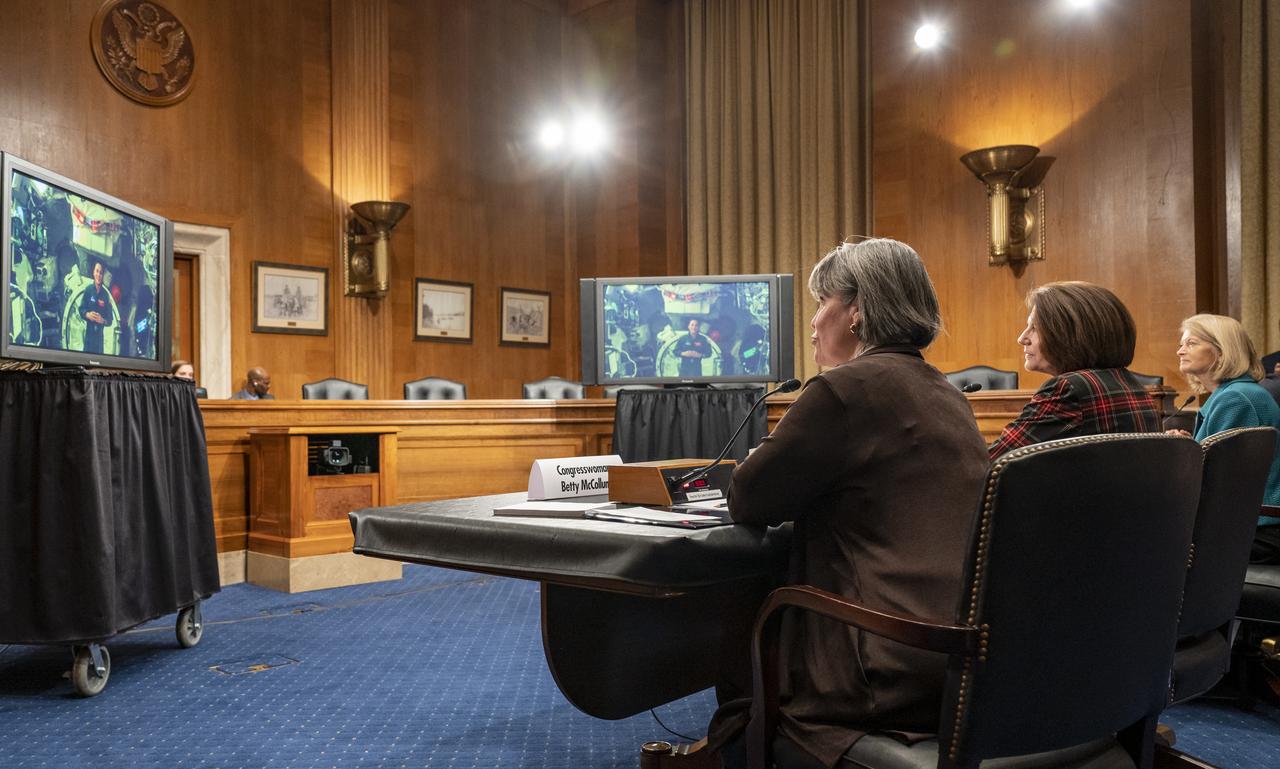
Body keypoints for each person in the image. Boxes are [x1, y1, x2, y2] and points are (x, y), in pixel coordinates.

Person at [708, 238, 990, 769]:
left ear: (857, 310)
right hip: (961, 657)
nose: (813, 323)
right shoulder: (947, 394)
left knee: (738, 628)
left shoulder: (843, 390)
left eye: (823, 304)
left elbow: (748, 498)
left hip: (878, 666)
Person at [988, 281, 1160, 459]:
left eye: (1035, 328)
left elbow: (991, 463)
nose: (1022, 338)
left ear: (1069, 334)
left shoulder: (1068, 390)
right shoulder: (1130, 383)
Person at [1174, 314, 1280, 563]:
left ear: (1222, 351)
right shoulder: (1235, 393)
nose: (1180, 351)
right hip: (1253, 524)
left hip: (1259, 529)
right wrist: (1187, 445)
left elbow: (1213, 477)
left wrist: (1175, 457)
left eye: (1191, 343)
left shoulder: (1236, 399)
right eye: (1181, 344)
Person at [78, 258, 112, 354]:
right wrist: (87, 314)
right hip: (88, 337)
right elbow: (80, 309)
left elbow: (110, 320)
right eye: (97, 271)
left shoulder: (106, 295)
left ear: (103, 275)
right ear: (93, 272)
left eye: (101, 273)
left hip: (99, 340)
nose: (98, 275)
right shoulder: (88, 290)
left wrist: (103, 320)